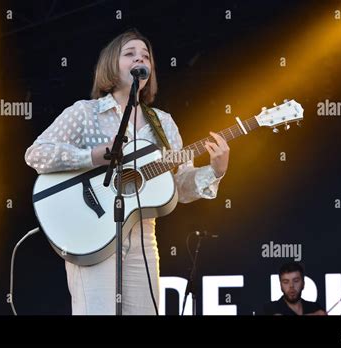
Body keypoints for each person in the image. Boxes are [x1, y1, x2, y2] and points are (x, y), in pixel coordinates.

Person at [24, 29, 230, 315]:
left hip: (143, 238)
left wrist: (215, 171)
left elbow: (179, 187)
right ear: (111, 64)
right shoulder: (86, 112)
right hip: (92, 231)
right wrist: (92, 156)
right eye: (130, 53)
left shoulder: (163, 123)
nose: (140, 58)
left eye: (146, 55)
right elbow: (37, 154)